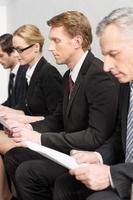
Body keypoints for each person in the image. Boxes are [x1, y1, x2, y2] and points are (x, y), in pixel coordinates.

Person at [4, 11, 119, 200]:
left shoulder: (98, 75)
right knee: (14, 156)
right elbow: (57, 118)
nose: (50, 48)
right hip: (69, 148)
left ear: (77, 41)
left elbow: (96, 136)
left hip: (86, 154)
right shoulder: (69, 75)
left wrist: (39, 138)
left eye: (56, 41)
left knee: (28, 172)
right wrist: (28, 128)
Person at [68, 7, 133, 200]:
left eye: (114, 54)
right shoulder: (126, 85)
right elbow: (121, 136)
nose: (106, 66)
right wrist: (97, 157)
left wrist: (112, 175)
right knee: (66, 184)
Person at [0, 24, 62, 125]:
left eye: (20, 50)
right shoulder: (29, 73)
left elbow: (57, 119)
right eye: (15, 50)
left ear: (36, 47)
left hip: (44, 137)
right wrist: (4, 110)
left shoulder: (48, 73)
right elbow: (27, 110)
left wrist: (22, 120)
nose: (16, 54)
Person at [0, 33, 27, 200]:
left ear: (13, 53)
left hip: (25, 128)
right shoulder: (14, 74)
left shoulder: (25, 73)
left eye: (1, 55)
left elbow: (25, 108)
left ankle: (5, 195)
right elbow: (12, 103)